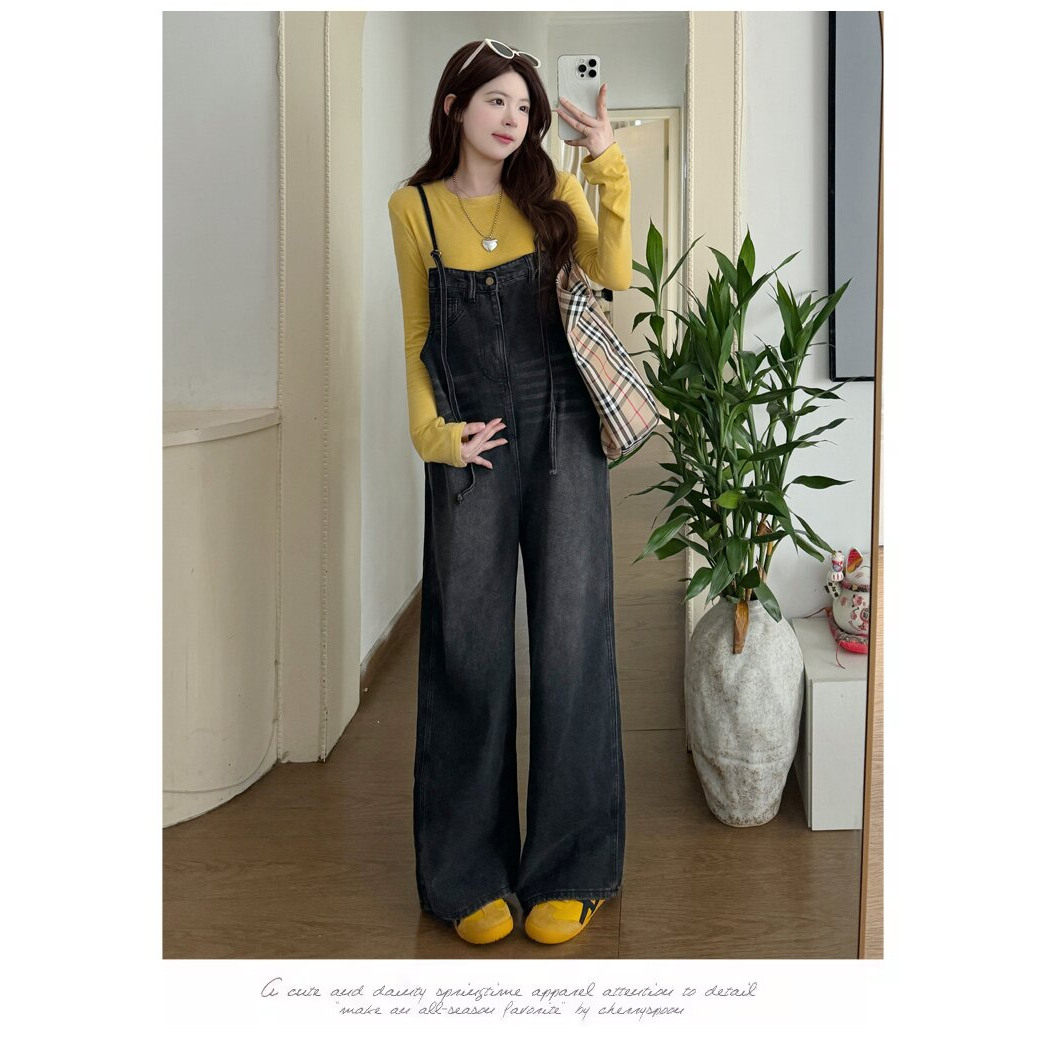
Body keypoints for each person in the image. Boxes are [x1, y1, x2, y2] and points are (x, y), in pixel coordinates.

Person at [387, 38, 632, 946]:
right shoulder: (413, 208)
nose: (512, 118)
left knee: (571, 644)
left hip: (562, 426)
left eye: (524, 107)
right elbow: (416, 333)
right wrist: (433, 436)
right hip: (472, 443)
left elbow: (611, 273)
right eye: (496, 100)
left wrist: (605, 165)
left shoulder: (550, 190)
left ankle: (573, 868)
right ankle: (465, 872)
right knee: (467, 648)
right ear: (454, 106)